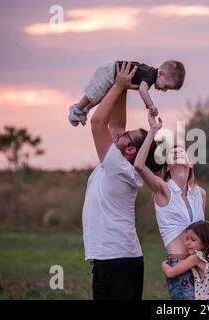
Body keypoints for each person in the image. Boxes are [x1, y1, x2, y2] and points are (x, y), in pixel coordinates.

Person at [81, 62, 161, 300]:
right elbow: (116, 125)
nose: (120, 135)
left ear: (129, 150)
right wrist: (124, 85)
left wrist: (117, 85)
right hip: (119, 258)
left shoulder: (118, 166)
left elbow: (98, 123)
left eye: (127, 137)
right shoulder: (123, 162)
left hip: (116, 260)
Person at [133, 110, 209, 300]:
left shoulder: (200, 194)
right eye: (172, 153)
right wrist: (153, 131)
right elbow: (139, 166)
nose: (177, 152)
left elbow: (201, 233)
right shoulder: (163, 190)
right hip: (179, 267)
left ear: (190, 163)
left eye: (181, 151)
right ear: (167, 166)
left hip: (201, 265)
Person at [68, 59, 185, 126]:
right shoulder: (150, 76)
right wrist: (150, 105)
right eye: (166, 86)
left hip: (114, 74)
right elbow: (142, 90)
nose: (164, 90)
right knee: (95, 93)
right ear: (161, 74)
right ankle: (77, 108)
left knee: (102, 96)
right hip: (111, 71)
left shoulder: (149, 74)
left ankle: (84, 110)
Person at [161, 221, 209, 300]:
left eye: (193, 240)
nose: (188, 243)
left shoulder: (197, 258)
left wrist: (164, 264)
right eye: (187, 238)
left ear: (205, 241)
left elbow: (170, 272)